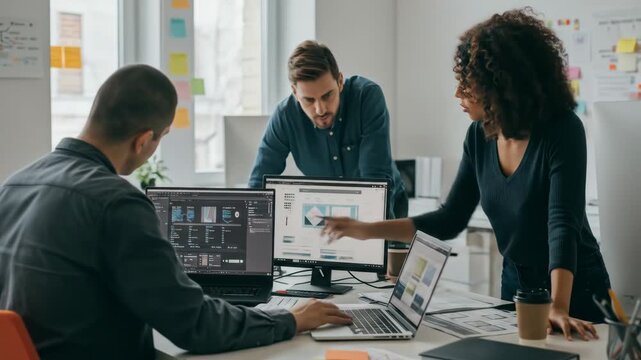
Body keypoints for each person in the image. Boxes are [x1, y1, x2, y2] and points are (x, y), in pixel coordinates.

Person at [0, 65, 351, 359]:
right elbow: (195, 325)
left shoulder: (12, 186)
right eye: (160, 139)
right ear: (143, 140)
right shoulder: (117, 203)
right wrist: (291, 320)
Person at [321, 8, 610, 341]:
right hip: (517, 283)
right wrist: (366, 231)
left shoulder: (562, 130)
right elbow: (450, 218)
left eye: (468, 86)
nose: (458, 94)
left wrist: (558, 306)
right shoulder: (479, 135)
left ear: (501, 87)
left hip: (574, 288)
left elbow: (561, 224)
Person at [248, 40, 407, 219]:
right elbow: (258, 185)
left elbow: (375, 180)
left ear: (339, 81)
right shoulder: (285, 116)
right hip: (326, 212)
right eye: (309, 100)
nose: (320, 109)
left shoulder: (366, 97)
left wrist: (373, 240)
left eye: (327, 95)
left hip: (385, 207)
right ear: (294, 92)